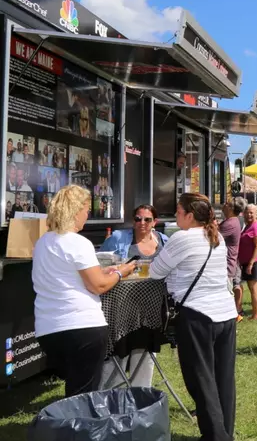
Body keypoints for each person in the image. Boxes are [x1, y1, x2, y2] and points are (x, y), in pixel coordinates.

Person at [34, 185, 137, 398]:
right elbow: (97, 285)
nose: (87, 214)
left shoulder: (42, 242)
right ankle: (79, 430)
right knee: (83, 395)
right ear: (74, 210)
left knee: (74, 391)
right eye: (86, 208)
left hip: (49, 329)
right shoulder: (79, 243)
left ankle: (68, 428)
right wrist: (121, 273)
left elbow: (68, 276)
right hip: (82, 328)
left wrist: (104, 271)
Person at [150, 193, 237, 441]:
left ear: (189, 215)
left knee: (201, 379)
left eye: (178, 211)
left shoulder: (182, 238)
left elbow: (156, 271)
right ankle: (223, 433)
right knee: (223, 379)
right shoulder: (216, 236)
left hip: (198, 315)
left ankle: (215, 436)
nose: (175, 216)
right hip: (225, 314)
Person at [99, 204, 168, 388]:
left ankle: (141, 393)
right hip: (121, 306)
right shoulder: (118, 238)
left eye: (147, 219)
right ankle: (111, 393)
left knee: (145, 350)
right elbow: (100, 262)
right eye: (138, 219)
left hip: (152, 307)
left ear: (155, 222)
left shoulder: (164, 241)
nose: (142, 223)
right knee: (119, 349)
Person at [238, 204, 257, 320]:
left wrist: (251, 263)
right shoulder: (247, 226)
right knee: (252, 288)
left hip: (254, 262)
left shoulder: (255, 226)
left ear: (256, 214)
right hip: (248, 261)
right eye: (247, 212)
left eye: (251, 213)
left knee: (253, 288)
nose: (249, 215)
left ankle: (256, 315)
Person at [219, 198, 245, 319]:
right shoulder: (232, 221)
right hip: (228, 264)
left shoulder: (230, 223)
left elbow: (212, 237)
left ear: (231, 208)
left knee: (225, 295)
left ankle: (233, 318)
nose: (223, 205)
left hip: (226, 264)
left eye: (226, 203)